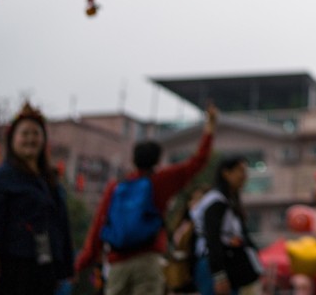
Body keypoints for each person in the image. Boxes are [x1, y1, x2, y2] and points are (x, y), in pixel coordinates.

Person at [75, 104, 217, 294]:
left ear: (133, 160)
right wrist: (209, 129)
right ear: (158, 160)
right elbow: (197, 162)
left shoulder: (116, 186)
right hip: (148, 259)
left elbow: (99, 224)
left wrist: (84, 260)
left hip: (117, 262)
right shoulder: (160, 181)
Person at [0, 103, 74, 295]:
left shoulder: (49, 181)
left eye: (35, 133)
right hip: (12, 267)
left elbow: (60, 225)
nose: (30, 139)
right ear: (12, 139)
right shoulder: (1, 178)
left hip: (43, 268)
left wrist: (65, 267)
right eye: (24, 134)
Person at [197, 156, 261, 295]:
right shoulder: (216, 201)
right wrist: (219, 275)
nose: (244, 176)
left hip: (229, 263)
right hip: (213, 265)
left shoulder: (229, 200)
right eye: (240, 171)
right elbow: (212, 238)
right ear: (226, 173)